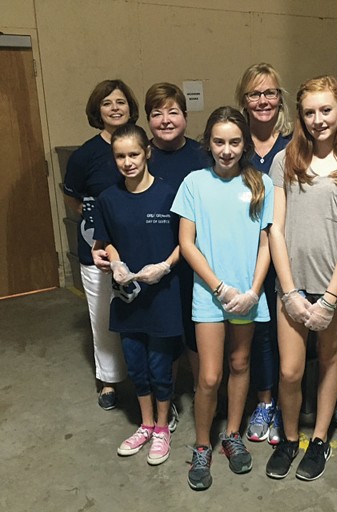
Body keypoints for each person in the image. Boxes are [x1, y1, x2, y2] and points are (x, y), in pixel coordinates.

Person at [265, 75, 337, 481]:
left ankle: (320, 440)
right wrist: (290, 292)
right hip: (291, 285)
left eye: (325, 110)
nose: (318, 119)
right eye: (309, 112)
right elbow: (276, 228)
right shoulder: (284, 161)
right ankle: (290, 439)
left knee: (329, 360)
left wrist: (329, 299)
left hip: (335, 287)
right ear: (300, 116)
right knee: (291, 371)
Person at [172, 106, 274, 491]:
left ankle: (232, 434)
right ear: (208, 143)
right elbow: (186, 243)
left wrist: (252, 291)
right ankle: (202, 446)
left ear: (245, 143)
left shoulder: (262, 184)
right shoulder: (194, 183)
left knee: (240, 362)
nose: (227, 150)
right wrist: (220, 288)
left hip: (247, 297)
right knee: (210, 376)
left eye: (234, 142)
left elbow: (267, 242)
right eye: (219, 142)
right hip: (210, 297)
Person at [93, 124, 183, 466]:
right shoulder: (108, 199)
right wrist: (114, 262)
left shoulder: (169, 194)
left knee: (161, 366)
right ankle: (145, 424)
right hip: (128, 298)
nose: (128, 162)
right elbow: (107, 240)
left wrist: (165, 265)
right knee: (136, 365)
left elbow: (185, 242)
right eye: (120, 156)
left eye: (134, 154)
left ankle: (162, 427)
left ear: (147, 152)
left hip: (163, 297)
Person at [63, 79, 138, 410]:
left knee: (140, 317)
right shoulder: (86, 155)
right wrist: (98, 224)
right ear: (98, 111)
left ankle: (145, 381)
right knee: (103, 317)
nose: (115, 108)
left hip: (140, 247)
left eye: (121, 102)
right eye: (108, 103)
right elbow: (72, 196)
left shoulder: (141, 143)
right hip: (98, 250)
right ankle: (109, 381)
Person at [144, 82, 210, 419]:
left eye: (173, 112)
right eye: (157, 113)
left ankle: (202, 395)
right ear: (148, 120)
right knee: (163, 337)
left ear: (185, 115)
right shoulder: (144, 157)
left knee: (195, 331)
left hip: (195, 260)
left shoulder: (202, 155)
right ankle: (165, 402)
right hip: (155, 260)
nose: (166, 120)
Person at [235, 63, 293, 445]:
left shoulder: (294, 144)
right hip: (245, 254)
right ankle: (260, 401)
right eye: (255, 94)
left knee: (276, 332)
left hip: (286, 252)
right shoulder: (233, 144)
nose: (263, 101)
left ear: (280, 98)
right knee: (251, 333)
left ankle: (277, 403)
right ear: (243, 101)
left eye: (269, 92)